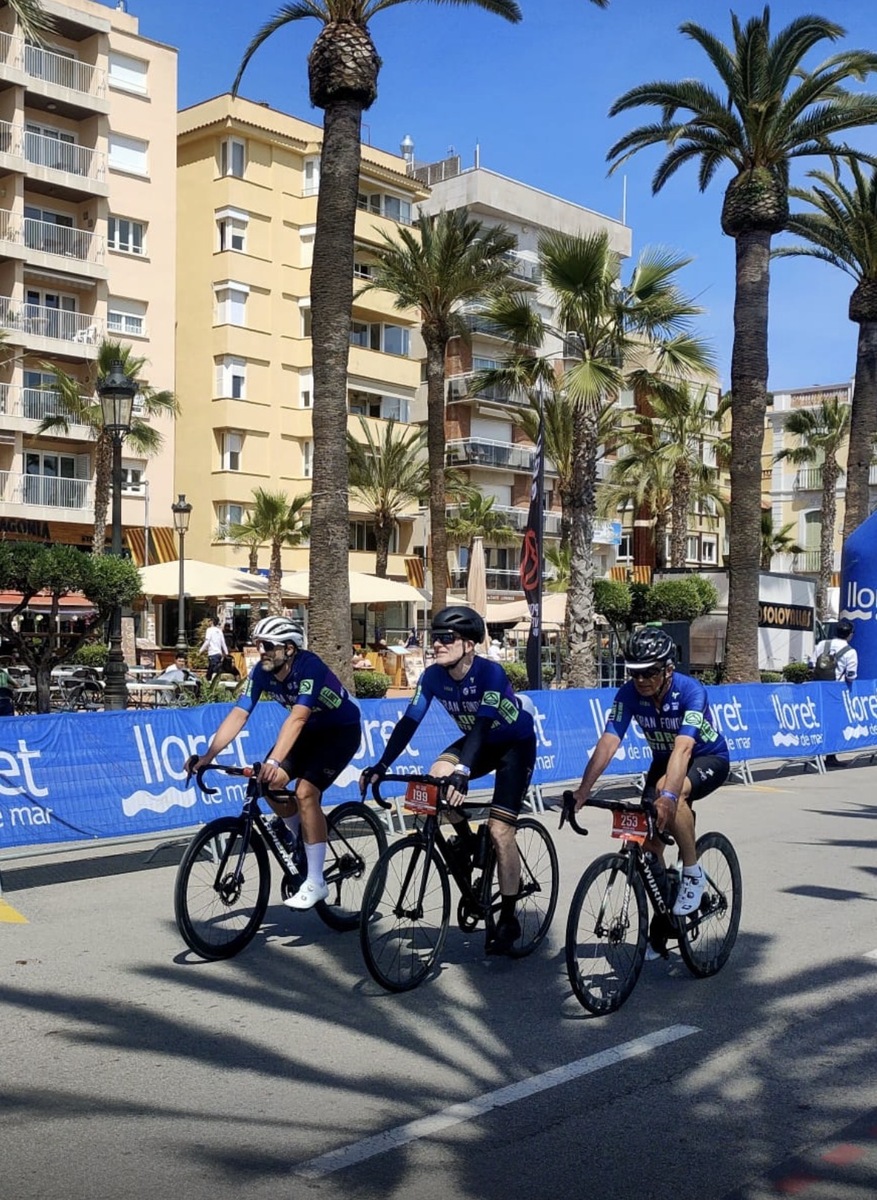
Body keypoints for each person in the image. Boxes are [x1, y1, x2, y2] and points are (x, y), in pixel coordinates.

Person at [360, 605, 537, 956]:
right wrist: (381, 764)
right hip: (476, 742)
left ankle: (508, 918)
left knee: (501, 831)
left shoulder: (490, 674)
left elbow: (482, 725)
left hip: (512, 746)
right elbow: (409, 722)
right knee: (435, 780)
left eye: (446, 638)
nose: (437, 644)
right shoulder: (432, 676)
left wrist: (464, 772)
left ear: (469, 644)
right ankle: (467, 842)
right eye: (434, 637)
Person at [569, 626, 730, 957]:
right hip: (663, 761)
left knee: (670, 794)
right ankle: (665, 918)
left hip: (706, 757)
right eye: (634, 672)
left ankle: (692, 872)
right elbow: (609, 742)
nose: (640, 680)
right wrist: (583, 791)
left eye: (649, 672)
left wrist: (668, 798)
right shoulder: (628, 694)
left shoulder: (691, 691)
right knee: (647, 846)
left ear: (668, 669)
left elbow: (684, 749)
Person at [192, 616, 362, 910]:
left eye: (268, 646)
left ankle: (316, 881)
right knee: (268, 783)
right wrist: (208, 756)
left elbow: (297, 717)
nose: (261, 651)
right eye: (258, 644)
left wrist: (274, 759)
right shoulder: (262, 672)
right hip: (308, 733)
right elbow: (239, 714)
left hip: (340, 733)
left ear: (289, 649)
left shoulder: (310, 667)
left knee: (306, 793)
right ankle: (300, 838)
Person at [809, 617, 857, 766]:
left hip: (818, 689)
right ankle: (830, 757)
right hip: (835, 692)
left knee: (818, 722)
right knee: (833, 724)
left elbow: (811, 664)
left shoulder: (822, 644)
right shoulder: (850, 652)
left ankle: (814, 755)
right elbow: (851, 676)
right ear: (850, 634)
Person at [200, 617, 229, 682]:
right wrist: (226, 653)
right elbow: (223, 642)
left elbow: (207, 641)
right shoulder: (219, 631)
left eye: (209, 621)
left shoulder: (209, 630)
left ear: (212, 622)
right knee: (213, 669)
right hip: (219, 654)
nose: (209, 622)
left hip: (212, 653)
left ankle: (211, 683)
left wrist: (200, 650)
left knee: (213, 670)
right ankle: (209, 681)